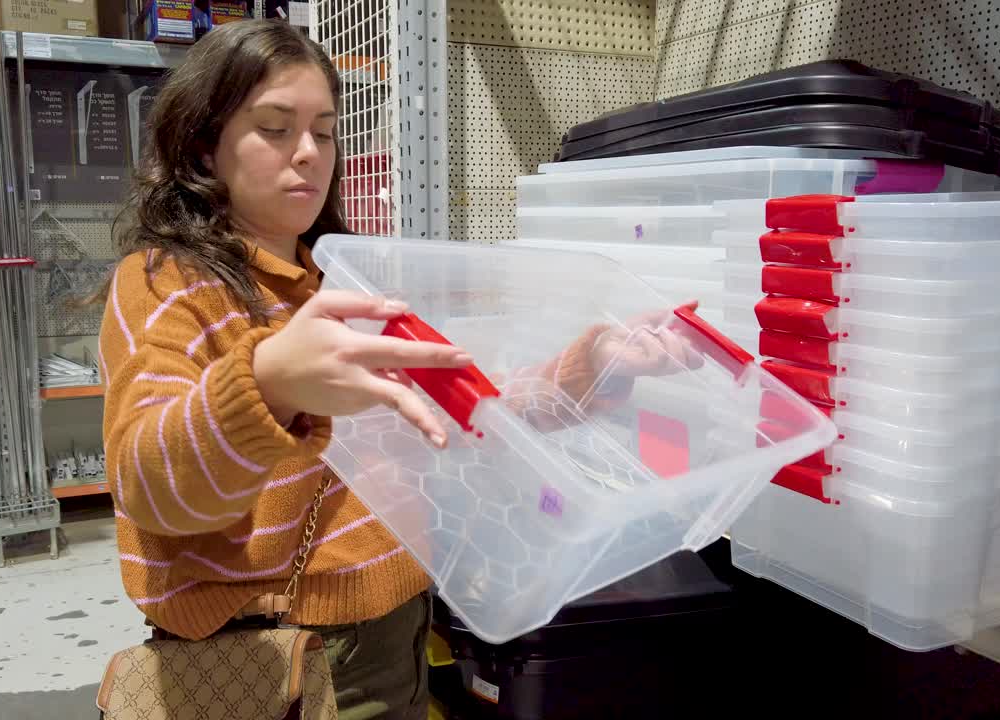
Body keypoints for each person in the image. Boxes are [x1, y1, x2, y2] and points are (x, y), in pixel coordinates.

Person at [100, 19, 689, 720]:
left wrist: (591, 368)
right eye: (274, 128)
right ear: (205, 144)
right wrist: (264, 386)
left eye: (323, 129)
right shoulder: (165, 284)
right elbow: (151, 487)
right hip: (273, 657)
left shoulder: (340, 282)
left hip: (396, 629)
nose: (308, 154)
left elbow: (460, 407)